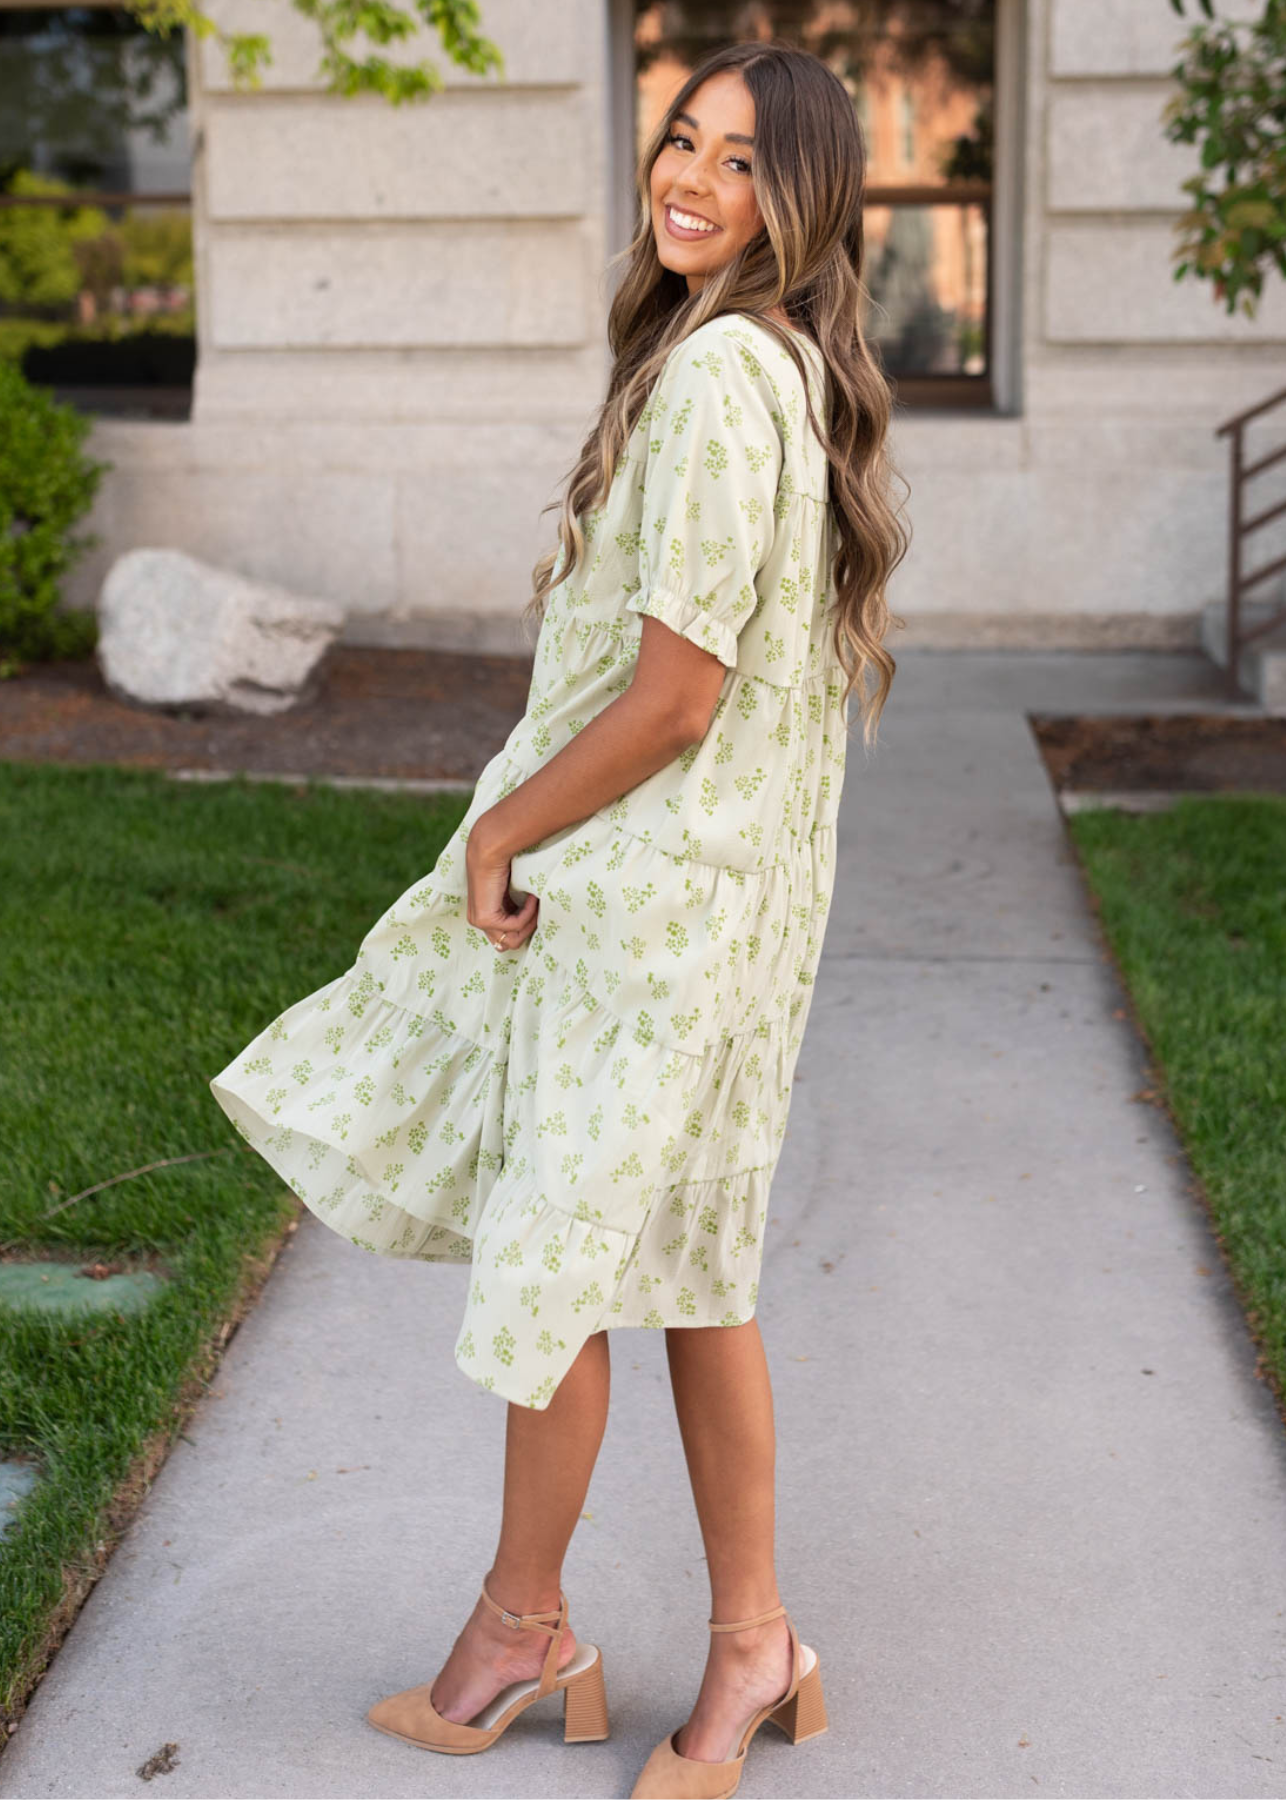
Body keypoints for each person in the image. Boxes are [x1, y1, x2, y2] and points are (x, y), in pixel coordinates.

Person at [208, 35, 908, 1800]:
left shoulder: (717, 383)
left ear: (799, 198)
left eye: (740, 161)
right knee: (690, 1277)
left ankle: (530, 1630)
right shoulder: (775, 372)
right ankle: (751, 1644)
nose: (689, 176)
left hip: (648, 914)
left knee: (563, 1275)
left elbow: (677, 694)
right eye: (682, 137)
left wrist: (498, 832)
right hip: (715, 913)